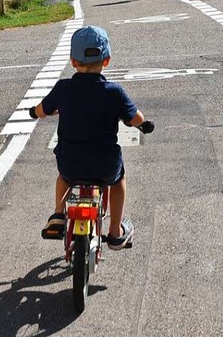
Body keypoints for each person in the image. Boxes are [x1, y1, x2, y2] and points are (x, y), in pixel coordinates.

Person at [29, 25, 151, 250]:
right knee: (119, 179)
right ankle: (115, 232)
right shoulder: (114, 91)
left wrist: (33, 112)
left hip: (71, 164)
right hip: (105, 166)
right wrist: (143, 124)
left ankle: (58, 214)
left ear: (73, 61)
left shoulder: (63, 88)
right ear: (107, 60)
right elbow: (136, 118)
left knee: (63, 177)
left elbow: (41, 110)